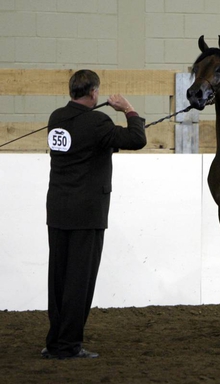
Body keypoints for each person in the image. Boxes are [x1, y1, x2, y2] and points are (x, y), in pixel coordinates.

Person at [41, 69, 147, 359]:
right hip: (87, 214)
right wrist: (128, 109)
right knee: (80, 281)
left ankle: (55, 341)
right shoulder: (99, 122)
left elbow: (85, 144)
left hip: (58, 210)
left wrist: (107, 142)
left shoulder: (56, 118)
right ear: (94, 94)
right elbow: (137, 138)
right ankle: (69, 345)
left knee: (59, 279)